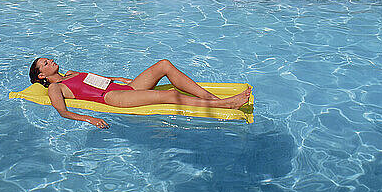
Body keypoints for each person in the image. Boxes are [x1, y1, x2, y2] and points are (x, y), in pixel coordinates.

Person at [29, 57, 252, 129]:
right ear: (41, 76)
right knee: (169, 96)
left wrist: (120, 79)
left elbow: (96, 78)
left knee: (164, 64)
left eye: (48, 59)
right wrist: (90, 118)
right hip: (113, 98)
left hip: (122, 87)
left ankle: (211, 98)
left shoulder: (70, 73)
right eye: (45, 63)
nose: (51, 61)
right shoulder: (55, 88)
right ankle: (224, 105)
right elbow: (62, 111)